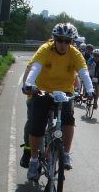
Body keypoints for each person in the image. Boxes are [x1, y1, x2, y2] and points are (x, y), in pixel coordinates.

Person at [22, 22, 94, 180]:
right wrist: (29, 84)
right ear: (54, 39)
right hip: (42, 90)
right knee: (37, 125)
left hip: (64, 92)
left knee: (68, 120)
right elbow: (35, 68)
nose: (63, 44)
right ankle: (34, 160)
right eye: (60, 40)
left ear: (72, 42)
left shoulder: (75, 54)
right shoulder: (45, 50)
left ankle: (66, 154)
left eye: (67, 41)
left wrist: (90, 90)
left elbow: (84, 72)